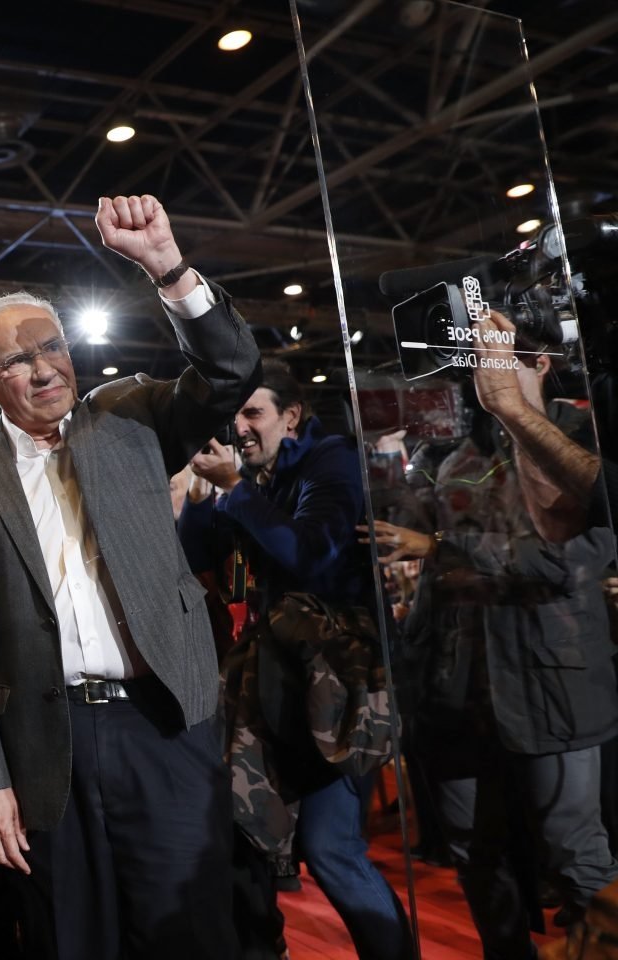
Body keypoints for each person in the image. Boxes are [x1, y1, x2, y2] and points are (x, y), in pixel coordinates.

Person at [0, 194, 258, 958]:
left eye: (52, 347)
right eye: (17, 360)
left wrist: (166, 268)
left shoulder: (131, 415)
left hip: (162, 724)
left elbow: (232, 367)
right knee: (70, 937)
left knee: (190, 930)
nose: (44, 370)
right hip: (47, 744)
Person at [363, 327, 618, 958]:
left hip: (553, 683)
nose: (479, 373)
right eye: (471, 358)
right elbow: (413, 556)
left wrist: (446, 548)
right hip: (457, 688)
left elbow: (571, 564)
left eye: (494, 355)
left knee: (575, 853)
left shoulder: (581, 439)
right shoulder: (451, 452)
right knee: (476, 857)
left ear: (537, 361)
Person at [180, 359, 413, 960]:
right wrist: (206, 492)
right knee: (259, 839)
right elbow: (193, 551)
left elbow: (312, 554)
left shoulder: (329, 459)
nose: (240, 427)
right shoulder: (253, 474)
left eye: (252, 413)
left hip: (340, 686)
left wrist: (235, 491)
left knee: (332, 846)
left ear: (291, 415)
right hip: (280, 681)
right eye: (232, 417)